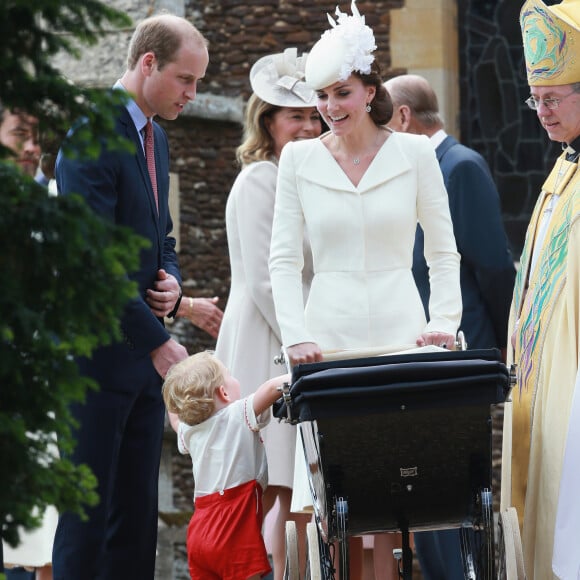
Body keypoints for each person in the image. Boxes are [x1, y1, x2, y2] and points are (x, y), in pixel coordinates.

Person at [268, 3, 462, 578]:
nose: (330, 109)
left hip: (404, 328)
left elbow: (443, 251)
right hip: (327, 338)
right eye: (321, 97)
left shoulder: (416, 153)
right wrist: (296, 334)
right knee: (335, 501)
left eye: (342, 94)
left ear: (370, 90)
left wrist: (445, 322)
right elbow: (282, 260)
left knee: (399, 490)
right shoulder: (298, 161)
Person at [51, 13, 206, 579]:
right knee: (86, 527)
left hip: (139, 371)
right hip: (94, 364)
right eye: (186, 80)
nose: (192, 94)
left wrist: (172, 279)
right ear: (148, 64)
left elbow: (160, 234)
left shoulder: (156, 136)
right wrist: (159, 343)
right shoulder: (92, 133)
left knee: (135, 527)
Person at [384, 73, 516, 580]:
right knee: (424, 488)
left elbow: (493, 264)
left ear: (404, 117)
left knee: (450, 489)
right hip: (425, 353)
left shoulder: (460, 167)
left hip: (462, 353)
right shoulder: (421, 170)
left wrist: (504, 347)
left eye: (385, 121)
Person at [214, 47, 321, 580]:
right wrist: (307, 344)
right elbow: (263, 279)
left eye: (312, 115)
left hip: (296, 334)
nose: (306, 126)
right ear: (268, 122)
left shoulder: (303, 179)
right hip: (267, 337)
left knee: (294, 479)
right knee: (274, 478)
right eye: (294, 116)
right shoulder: (260, 180)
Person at [501, 0, 580, 578]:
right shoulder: (561, 169)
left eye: (553, 98)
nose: (541, 112)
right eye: (537, 99)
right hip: (540, 381)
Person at [162, 350, 290, 580]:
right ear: (224, 392)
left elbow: (174, 418)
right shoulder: (238, 413)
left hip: (200, 529)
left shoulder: (190, 431)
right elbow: (272, 389)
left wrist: (170, 386)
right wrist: (301, 375)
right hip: (234, 526)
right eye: (229, 375)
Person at [0, 105, 53, 580]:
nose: (34, 148)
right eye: (21, 135)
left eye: (38, 137)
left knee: (44, 530)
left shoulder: (58, 204)